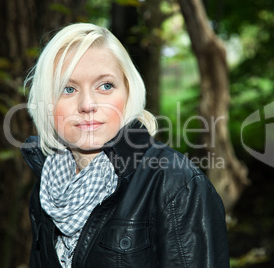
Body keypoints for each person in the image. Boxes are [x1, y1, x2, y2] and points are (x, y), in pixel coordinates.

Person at [20, 23, 229, 268]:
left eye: (105, 86)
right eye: (68, 89)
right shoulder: (48, 186)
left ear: (129, 92)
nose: (87, 104)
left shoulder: (176, 183)